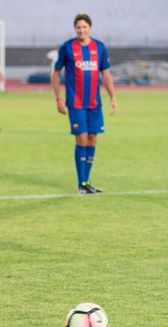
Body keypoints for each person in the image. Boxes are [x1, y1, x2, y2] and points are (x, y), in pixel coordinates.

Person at [51, 13, 116, 194]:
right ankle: (81, 184)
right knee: (82, 137)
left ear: (90, 28)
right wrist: (58, 98)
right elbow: (55, 73)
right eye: (78, 27)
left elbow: (106, 74)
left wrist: (113, 97)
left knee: (93, 139)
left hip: (94, 103)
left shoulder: (100, 47)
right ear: (75, 29)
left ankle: (86, 182)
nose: (81, 30)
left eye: (84, 27)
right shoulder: (67, 48)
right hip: (76, 102)